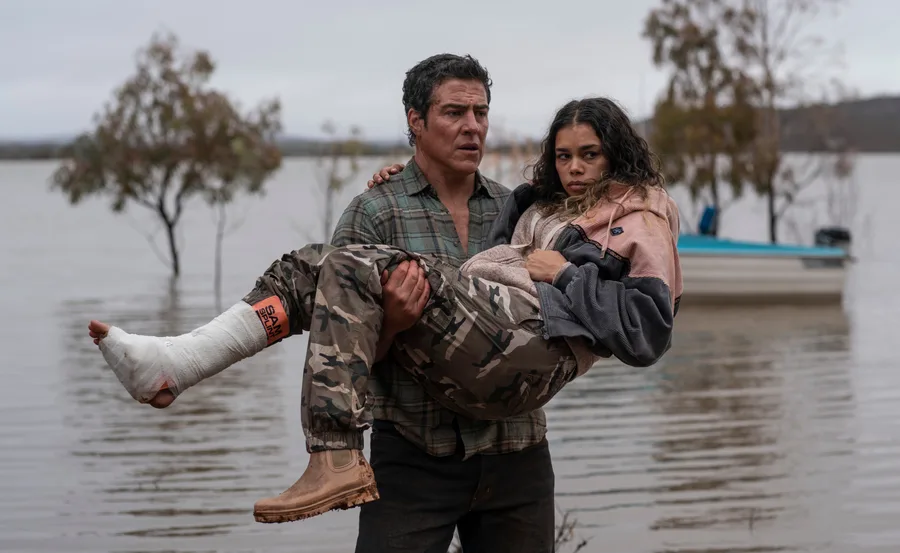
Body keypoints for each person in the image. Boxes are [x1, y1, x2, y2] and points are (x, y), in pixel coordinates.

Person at [89, 57, 680, 553]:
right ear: (415, 121)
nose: (472, 127)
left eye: (480, 113)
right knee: (318, 269)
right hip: (414, 456)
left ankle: (193, 370)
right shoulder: (378, 210)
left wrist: (576, 274)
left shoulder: (514, 207)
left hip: (515, 452)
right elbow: (339, 341)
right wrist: (392, 324)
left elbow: (607, 288)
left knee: (339, 266)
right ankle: (181, 366)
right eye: (454, 113)